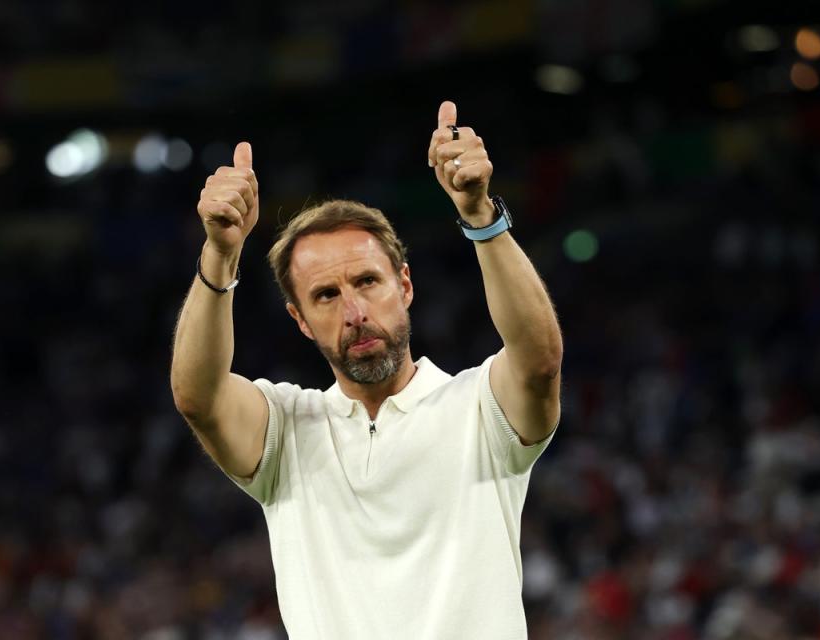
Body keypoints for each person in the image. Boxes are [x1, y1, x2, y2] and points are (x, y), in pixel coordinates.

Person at [170, 100, 563, 639]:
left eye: (367, 282)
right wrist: (219, 254)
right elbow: (199, 397)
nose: (354, 313)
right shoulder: (286, 429)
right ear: (301, 320)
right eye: (326, 295)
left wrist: (481, 217)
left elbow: (539, 362)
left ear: (404, 285)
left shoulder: (480, 406)